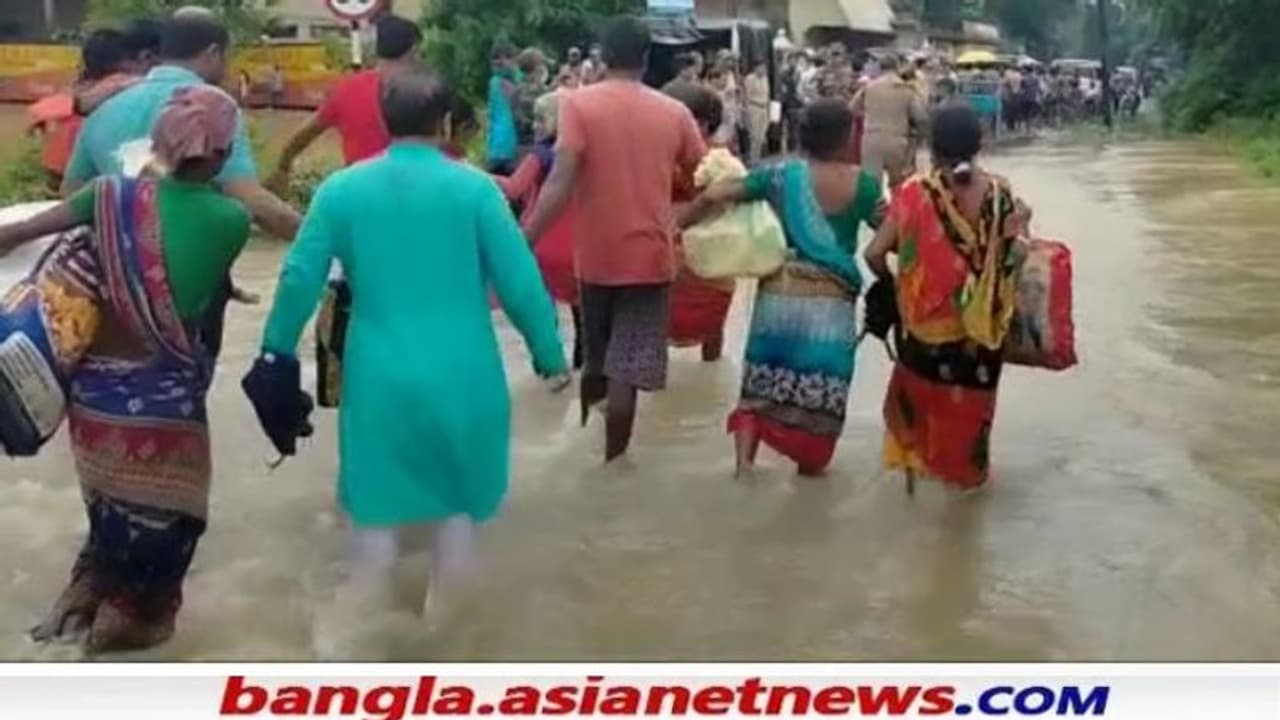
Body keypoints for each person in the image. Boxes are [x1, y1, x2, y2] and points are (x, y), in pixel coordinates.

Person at [257, 70, 569, 621]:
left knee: (375, 514)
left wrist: (274, 353)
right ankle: (445, 647)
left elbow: (299, 277)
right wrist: (549, 356)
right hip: (466, 377)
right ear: (446, 123)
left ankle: (361, 648)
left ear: (384, 121)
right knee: (459, 514)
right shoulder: (475, 190)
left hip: (378, 378)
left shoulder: (342, 190)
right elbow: (520, 278)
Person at [2, 86, 250, 653]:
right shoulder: (230, 221)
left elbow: (17, 235)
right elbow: (198, 290)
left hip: (92, 403)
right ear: (219, 154)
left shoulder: (107, 195)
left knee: (109, 513)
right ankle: (128, 623)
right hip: (163, 406)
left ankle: (80, 599)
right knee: (166, 531)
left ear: (160, 143)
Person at [61, 10, 298, 364]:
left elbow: (71, 190)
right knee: (183, 381)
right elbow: (248, 197)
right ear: (213, 52)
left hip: (113, 282)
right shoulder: (211, 107)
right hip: (191, 282)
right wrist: (321, 235)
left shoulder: (107, 107)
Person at [522, 15, 707, 462]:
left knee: (598, 362)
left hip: (596, 259)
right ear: (647, 57)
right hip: (650, 257)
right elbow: (706, 178)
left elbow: (559, 182)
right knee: (628, 370)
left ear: (603, 56)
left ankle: (586, 447)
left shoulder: (578, 106)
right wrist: (680, 217)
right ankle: (613, 463)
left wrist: (521, 240)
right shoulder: (675, 112)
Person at [682, 100, 882, 477]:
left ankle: (743, 468)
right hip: (831, 305)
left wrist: (678, 229)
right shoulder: (865, 185)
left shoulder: (780, 176)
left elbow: (713, 195)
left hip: (778, 295)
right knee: (822, 392)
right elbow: (893, 232)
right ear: (847, 137)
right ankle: (808, 468)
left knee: (759, 385)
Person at [864, 103, 1022, 493]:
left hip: (924, 332)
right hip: (981, 334)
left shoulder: (914, 192)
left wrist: (893, 286)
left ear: (932, 148)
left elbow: (873, 253)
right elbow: (1012, 254)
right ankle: (967, 497)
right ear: (980, 143)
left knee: (917, 421)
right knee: (971, 420)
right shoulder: (1001, 192)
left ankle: (916, 496)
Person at [270, 14, 422, 186]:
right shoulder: (427, 92)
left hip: (359, 192)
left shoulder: (347, 89)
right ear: (413, 49)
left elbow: (305, 133)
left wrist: (283, 166)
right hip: (418, 190)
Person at [491, 86, 582, 368]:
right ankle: (584, 361)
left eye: (540, 120)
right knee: (582, 313)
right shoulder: (582, 153)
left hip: (542, 240)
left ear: (555, 122)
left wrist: (477, 176)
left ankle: (549, 362)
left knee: (542, 308)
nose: (534, 125)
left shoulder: (540, 155)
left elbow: (515, 188)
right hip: (579, 243)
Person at [663, 81, 731, 362]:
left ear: (700, 124)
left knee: (667, 316)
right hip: (708, 247)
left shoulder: (715, 159)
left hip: (684, 246)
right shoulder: (721, 157)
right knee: (710, 318)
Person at [852, 54, 927, 192]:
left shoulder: (869, 88)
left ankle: (874, 212)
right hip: (897, 141)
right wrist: (919, 141)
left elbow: (852, 109)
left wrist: (869, 113)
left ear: (880, 69)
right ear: (897, 68)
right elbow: (921, 117)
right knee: (898, 187)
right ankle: (896, 212)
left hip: (871, 140)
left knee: (871, 186)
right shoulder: (906, 90)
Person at [486, 40, 520, 175]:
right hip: (509, 147)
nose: (501, 62)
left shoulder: (495, 81)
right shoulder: (498, 82)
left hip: (497, 147)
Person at [514, 48, 550, 148]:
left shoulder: (517, 89)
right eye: (543, 65)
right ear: (537, 68)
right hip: (536, 146)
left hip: (521, 145)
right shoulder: (538, 92)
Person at [744, 61, 771, 164]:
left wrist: (768, 110)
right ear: (756, 68)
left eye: (764, 68)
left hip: (764, 108)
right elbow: (747, 95)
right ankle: (753, 158)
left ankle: (758, 157)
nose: (763, 70)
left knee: (761, 135)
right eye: (761, 68)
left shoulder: (765, 78)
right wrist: (746, 111)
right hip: (754, 108)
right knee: (754, 136)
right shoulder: (750, 79)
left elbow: (767, 94)